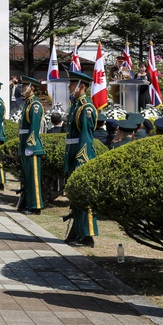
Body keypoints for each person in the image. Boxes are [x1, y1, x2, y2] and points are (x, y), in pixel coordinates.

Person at [63, 71, 98, 246]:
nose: (69, 87)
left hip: (81, 156)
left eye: (72, 84)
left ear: (81, 86)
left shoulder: (86, 108)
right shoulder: (76, 105)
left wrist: (81, 160)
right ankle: (77, 231)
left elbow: (86, 137)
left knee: (84, 198)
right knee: (75, 198)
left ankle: (87, 235)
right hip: (73, 154)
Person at [16, 76, 44, 215]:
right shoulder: (28, 103)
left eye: (24, 86)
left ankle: (36, 206)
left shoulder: (35, 105)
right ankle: (27, 203)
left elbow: (34, 127)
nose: (22, 89)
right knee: (27, 178)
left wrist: (30, 145)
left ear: (31, 88)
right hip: (25, 145)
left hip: (31, 147)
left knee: (33, 179)